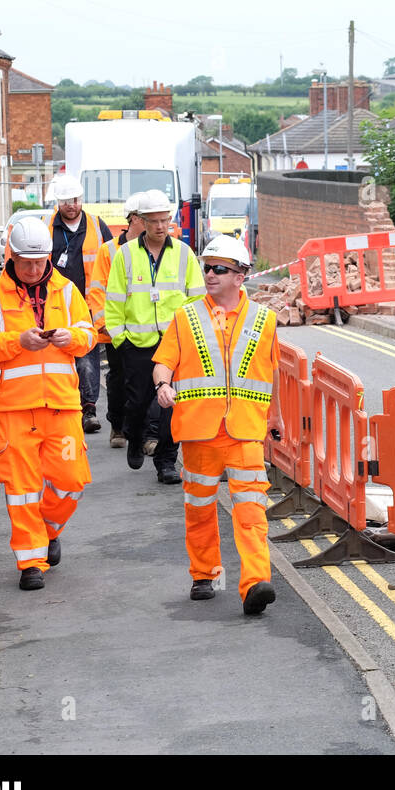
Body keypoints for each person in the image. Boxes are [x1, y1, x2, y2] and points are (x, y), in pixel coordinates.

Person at [153, 235, 282, 615]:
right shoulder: (185, 316)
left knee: (251, 510)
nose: (209, 274)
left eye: (218, 269)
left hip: (245, 431)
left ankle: (256, 583)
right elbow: (164, 360)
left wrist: (276, 418)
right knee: (199, 507)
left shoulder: (265, 320)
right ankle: (204, 573)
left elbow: (272, 375)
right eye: (206, 267)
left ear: (240, 276)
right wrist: (163, 383)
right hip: (199, 431)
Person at [0, 215, 94, 590]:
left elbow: (88, 335)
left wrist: (71, 337)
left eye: (40, 262)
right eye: (27, 263)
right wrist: (17, 341)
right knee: (21, 487)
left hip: (62, 405)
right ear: (12, 256)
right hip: (14, 409)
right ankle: (31, 562)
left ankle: (47, 530)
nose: (35, 269)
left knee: (72, 480)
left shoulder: (67, 291)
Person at [103, 189, 205, 484]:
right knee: (136, 404)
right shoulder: (125, 255)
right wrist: (121, 340)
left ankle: (166, 462)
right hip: (136, 344)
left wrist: (186, 335)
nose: (161, 227)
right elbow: (114, 301)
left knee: (171, 405)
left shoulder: (185, 254)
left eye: (165, 220)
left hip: (175, 344)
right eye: (155, 221)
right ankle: (134, 439)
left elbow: (196, 300)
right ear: (141, 221)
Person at [47, 174, 113, 435]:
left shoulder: (97, 226)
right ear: (58, 202)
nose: (71, 205)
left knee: (86, 359)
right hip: (54, 304)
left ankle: (88, 409)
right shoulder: (47, 226)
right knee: (57, 357)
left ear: (81, 199)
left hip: (87, 306)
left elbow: (112, 261)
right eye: (65, 201)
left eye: (74, 200)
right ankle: (63, 407)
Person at [87, 195, 146, 449]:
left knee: (146, 381)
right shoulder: (109, 250)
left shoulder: (157, 248)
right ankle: (118, 426)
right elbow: (98, 290)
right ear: (134, 218)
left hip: (147, 329)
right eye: (149, 218)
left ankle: (145, 432)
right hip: (116, 331)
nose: (157, 224)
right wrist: (106, 324)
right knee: (120, 379)